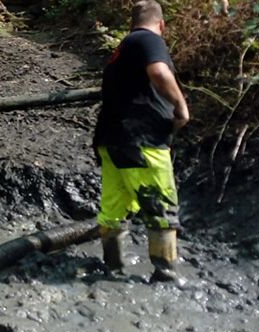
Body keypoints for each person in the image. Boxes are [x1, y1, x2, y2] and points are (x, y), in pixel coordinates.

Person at [93, 0, 189, 285]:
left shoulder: (122, 49)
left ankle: (113, 267)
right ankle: (166, 274)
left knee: (113, 208)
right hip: (142, 142)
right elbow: (159, 72)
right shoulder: (149, 40)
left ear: (130, 23)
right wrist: (180, 106)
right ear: (162, 25)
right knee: (161, 207)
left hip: (111, 142)